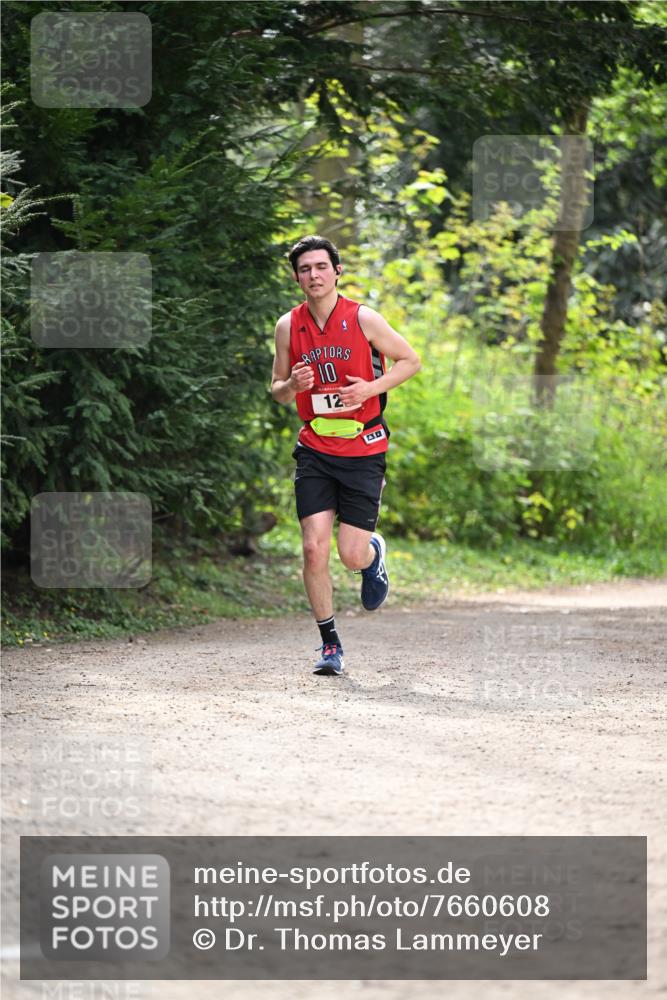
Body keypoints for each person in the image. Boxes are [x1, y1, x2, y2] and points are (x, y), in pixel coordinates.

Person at [271, 235, 420, 676]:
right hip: (315, 449)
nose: (313, 275)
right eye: (304, 269)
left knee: (349, 556)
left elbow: (410, 361)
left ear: (337, 271)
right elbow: (276, 390)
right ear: (296, 276)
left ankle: (372, 554)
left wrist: (369, 389)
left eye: (321, 267)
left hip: (364, 449)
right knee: (313, 549)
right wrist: (292, 388)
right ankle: (330, 645)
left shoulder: (363, 318)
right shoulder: (287, 326)